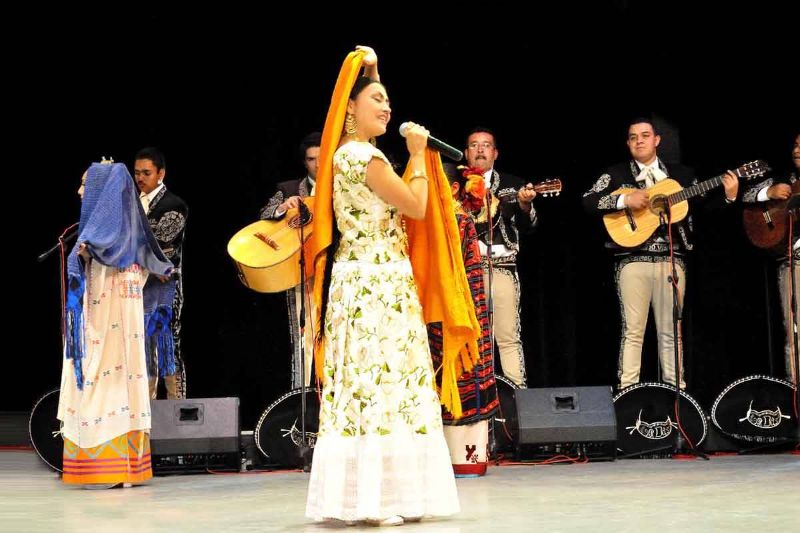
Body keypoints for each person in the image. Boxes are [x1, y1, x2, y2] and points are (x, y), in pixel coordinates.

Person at [304, 46, 463, 526]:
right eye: (377, 98)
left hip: (363, 282)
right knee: (384, 385)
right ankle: (381, 500)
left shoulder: (344, 155)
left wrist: (370, 69)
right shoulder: (364, 157)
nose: (387, 106)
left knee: (370, 387)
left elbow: (363, 88)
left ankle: (371, 497)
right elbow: (415, 206)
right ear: (350, 109)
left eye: (388, 99)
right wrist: (417, 155)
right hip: (377, 284)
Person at [582, 117, 739, 390]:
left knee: (671, 333)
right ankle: (627, 393)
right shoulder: (617, 173)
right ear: (628, 143)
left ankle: (677, 394)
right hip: (631, 260)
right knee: (633, 332)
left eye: (645, 135)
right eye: (633, 137)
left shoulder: (682, 176)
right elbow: (588, 200)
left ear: (657, 141)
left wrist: (730, 196)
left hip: (671, 260)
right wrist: (623, 199)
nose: (639, 140)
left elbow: (704, 210)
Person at [58, 161, 174, 488]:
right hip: (101, 322)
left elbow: (153, 269)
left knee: (109, 385)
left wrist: (87, 257)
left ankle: (116, 467)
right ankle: (114, 468)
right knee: (100, 383)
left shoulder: (122, 233)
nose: (80, 191)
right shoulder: (98, 235)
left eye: (86, 185)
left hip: (117, 327)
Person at [429, 166, 499, 476]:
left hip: (456, 310)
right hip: (428, 309)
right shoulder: (418, 219)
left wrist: (460, 314)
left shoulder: (459, 222)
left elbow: (471, 277)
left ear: (454, 189)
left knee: (462, 371)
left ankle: (464, 459)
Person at [462, 127, 537, 387]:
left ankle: (518, 399)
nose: (480, 149)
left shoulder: (512, 184)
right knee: (471, 339)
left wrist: (525, 205)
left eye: (486, 145)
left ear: (495, 153)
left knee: (508, 337)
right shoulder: (455, 184)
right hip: (465, 272)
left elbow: (530, 226)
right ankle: (474, 399)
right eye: (474, 145)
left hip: (502, 267)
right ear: (466, 152)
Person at [259, 132, 321, 388]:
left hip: (334, 270)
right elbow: (264, 215)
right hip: (300, 271)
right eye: (311, 159)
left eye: (321, 158)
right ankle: (302, 395)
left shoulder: (340, 186)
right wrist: (284, 207)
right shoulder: (289, 188)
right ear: (304, 162)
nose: (317, 164)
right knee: (303, 334)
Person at [743, 133, 800, 380]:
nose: (797, 149)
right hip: (792, 261)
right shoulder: (784, 178)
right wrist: (768, 192)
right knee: (794, 333)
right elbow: (746, 196)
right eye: (796, 144)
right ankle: (795, 392)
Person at [134, 147, 189, 399]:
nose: (141, 178)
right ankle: (147, 411)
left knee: (167, 345)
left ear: (161, 173)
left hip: (165, 287)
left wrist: (128, 246)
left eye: (146, 173)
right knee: (142, 347)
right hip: (136, 287)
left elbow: (161, 244)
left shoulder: (174, 205)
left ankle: (177, 409)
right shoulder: (132, 203)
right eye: (137, 173)